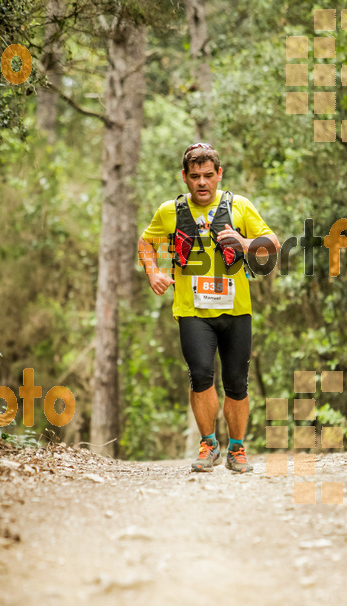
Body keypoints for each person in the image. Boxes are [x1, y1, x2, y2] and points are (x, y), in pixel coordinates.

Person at [138, 143, 280, 474]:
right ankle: (208, 443)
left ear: (219, 175)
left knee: (236, 382)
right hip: (192, 310)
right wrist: (153, 272)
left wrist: (245, 244)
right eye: (195, 176)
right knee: (201, 374)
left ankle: (237, 449)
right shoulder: (169, 212)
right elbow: (146, 243)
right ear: (184, 178)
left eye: (208, 176)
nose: (202, 183)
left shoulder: (239, 206)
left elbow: (272, 242)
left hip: (236, 309)